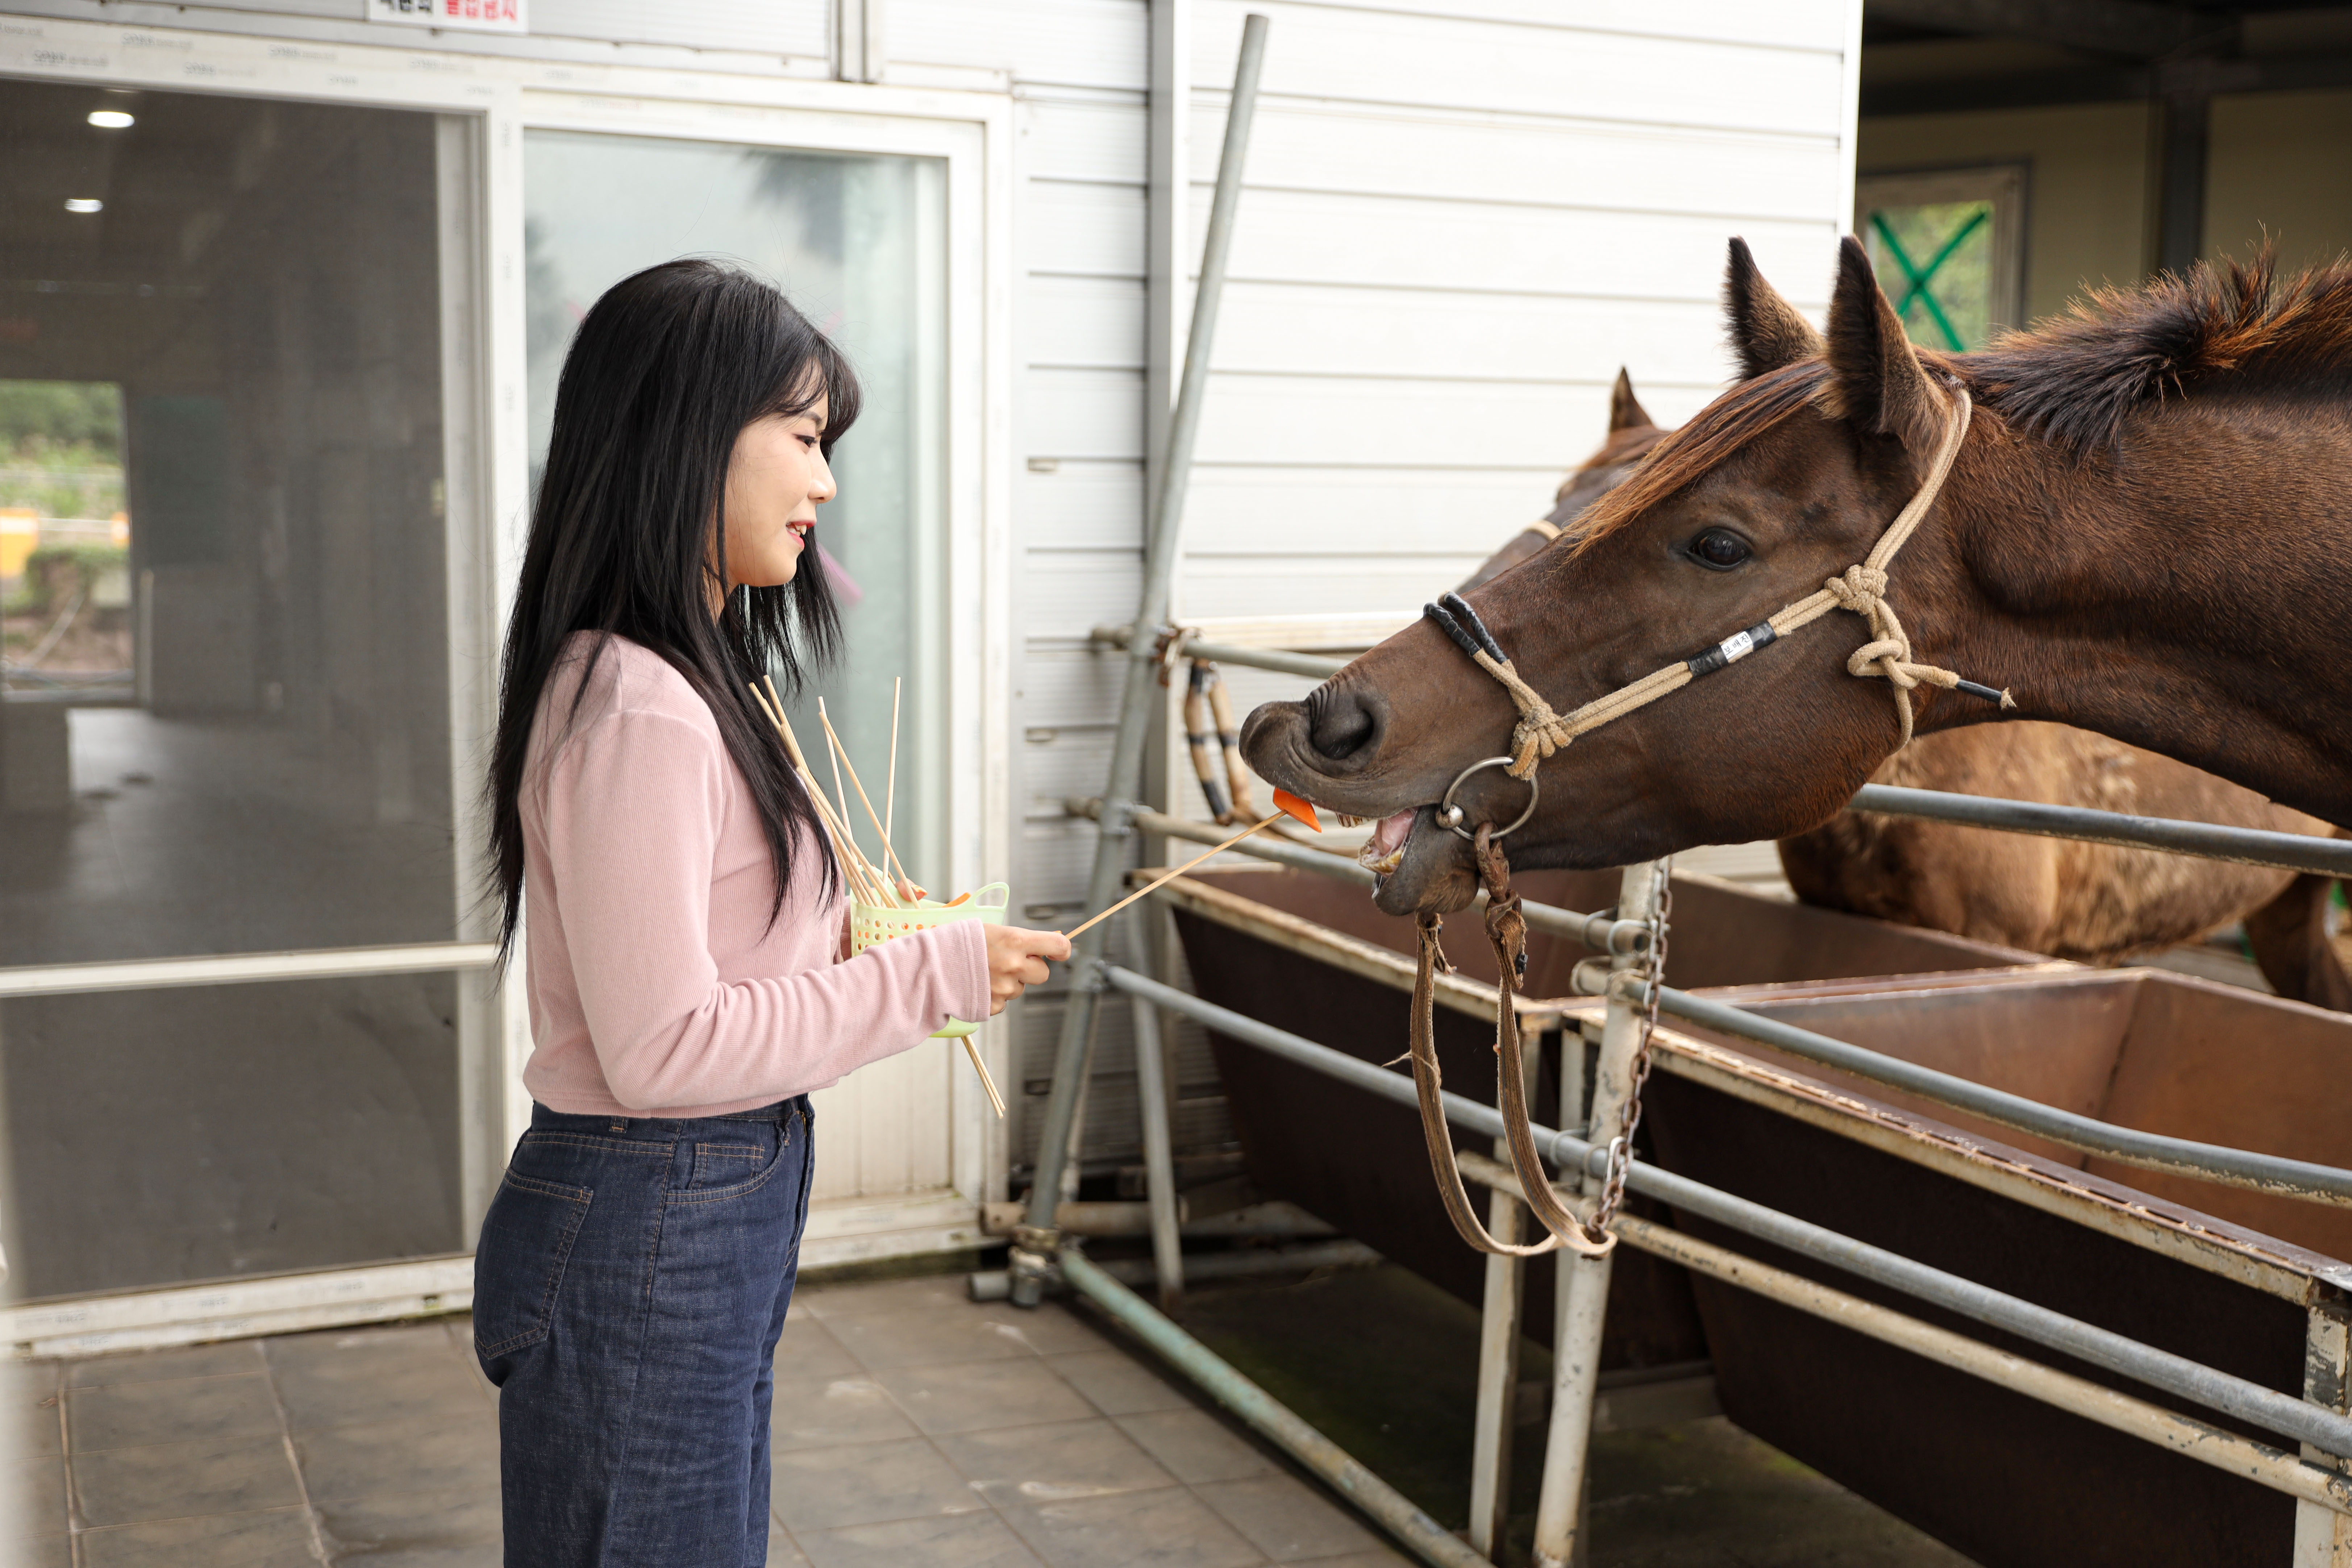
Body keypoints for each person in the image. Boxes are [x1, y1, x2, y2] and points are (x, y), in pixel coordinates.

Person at [474, 258, 1070, 1564]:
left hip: (684, 1218)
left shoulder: (689, 675)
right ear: (687, 431)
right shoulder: (636, 704)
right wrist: (933, 977)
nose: (825, 483)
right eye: (803, 438)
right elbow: (665, 1048)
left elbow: (704, 952)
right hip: (649, 1226)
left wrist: (856, 931)